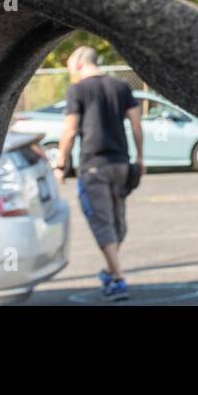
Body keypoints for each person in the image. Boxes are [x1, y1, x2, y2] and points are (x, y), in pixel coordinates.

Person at [54, 46, 143, 301]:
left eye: (71, 67)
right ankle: (110, 271)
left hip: (94, 167)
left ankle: (118, 279)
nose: (71, 73)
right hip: (121, 164)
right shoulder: (121, 87)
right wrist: (141, 157)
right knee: (117, 224)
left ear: (81, 64)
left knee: (102, 223)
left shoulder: (78, 90)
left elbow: (70, 131)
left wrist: (61, 164)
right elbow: (136, 124)